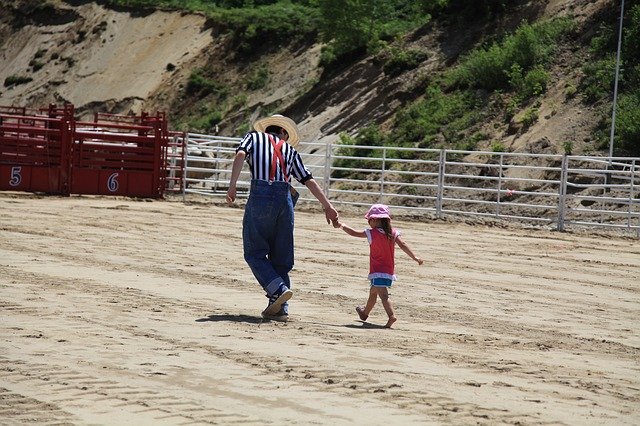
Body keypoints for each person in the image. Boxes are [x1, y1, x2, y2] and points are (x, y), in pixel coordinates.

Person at [226, 114, 339, 319]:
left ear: (267, 129)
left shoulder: (253, 138)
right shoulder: (290, 150)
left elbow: (240, 155)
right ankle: (279, 308)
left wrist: (232, 186)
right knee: (281, 256)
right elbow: (308, 180)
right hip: (284, 200)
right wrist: (328, 207)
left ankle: (277, 289)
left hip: (261, 194)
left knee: (254, 251)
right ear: (284, 133)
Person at [333, 204, 423, 328]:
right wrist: (415, 257)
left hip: (377, 271)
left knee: (383, 295)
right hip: (389, 271)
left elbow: (354, 233)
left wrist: (342, 226)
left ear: (374, 220)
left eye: (369, 220)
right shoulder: (393, 233)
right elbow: (403, 245)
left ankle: (391, 316)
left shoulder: (372, 233)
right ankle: (364, 313)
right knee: (373, 293)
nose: (369, 223)